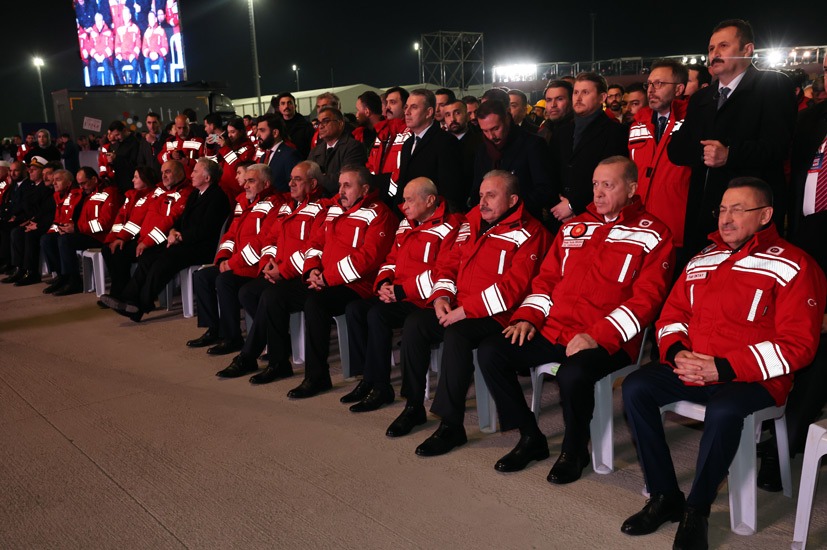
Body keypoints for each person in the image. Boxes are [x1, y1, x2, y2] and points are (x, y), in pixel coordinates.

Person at [620, 178, 826, 550]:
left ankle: (696, 509)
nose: (726, 218)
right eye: (723, 209)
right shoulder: (703, 258)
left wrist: (726, 368)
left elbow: (799, 346)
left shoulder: (796, 265)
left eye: (738, 209)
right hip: (696, 366)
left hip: (755, 378)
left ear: (765, 215)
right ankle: (666, 496)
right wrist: (678, 351)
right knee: (636, 387)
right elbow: (672, 316)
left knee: (724, 411)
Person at [476, 157, 674, 480]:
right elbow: (546, 280)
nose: (598, 193)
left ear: (632, 188)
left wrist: (597, 335)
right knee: (492, 350)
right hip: (555, 328)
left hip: (610, 340)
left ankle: (575, 449)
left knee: (572, 374)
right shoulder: (574, 227)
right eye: (595, 184)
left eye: (608, 185)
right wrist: (528, 317)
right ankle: (530, 436)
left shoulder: (654, 234)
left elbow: (646, 302)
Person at [387, 170, 550, 446]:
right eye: (481, 195)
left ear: (512, 199)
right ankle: (413, 406)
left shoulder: (531, 232)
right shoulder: (472, 220)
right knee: (416, 323)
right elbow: (449, 264)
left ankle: (452, 425)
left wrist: (464, 310)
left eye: (491, 195)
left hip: (500, 315)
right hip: (460, 306)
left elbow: (513, 289)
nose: (483, 201)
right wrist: (441, 297)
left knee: (457, 334)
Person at [218, 165, 396, 395]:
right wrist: (311, 269)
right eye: (340, 184)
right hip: (323, 279)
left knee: (315, 303)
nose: (341, 190)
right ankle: (278, 363)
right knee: (273, 296)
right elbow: (315, 244)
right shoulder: (333, 209)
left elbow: (367, 259)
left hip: (357, 285)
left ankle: (317, 376)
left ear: (364, 188)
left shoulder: (380, 214)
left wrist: (325, 278)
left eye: (347, 185)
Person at [668, 19, 797, 255]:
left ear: (747, 50)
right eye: (711, 48)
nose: (714, 54)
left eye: (723, 46)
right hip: (704, 212)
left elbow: (778, 146)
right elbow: (677, 148)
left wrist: (730, 155)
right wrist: (703, 152)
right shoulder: (701, 98)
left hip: (750, 214)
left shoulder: (773, 85)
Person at [340, 178, 464, 412]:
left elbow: (443, 273)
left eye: (409, 200)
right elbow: (391, 259)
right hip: (401, 295)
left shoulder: (452, 226)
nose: (403, 205)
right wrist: (384, 283)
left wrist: (400, 291)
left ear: (430, 200)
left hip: (427, 300)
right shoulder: (407, 224)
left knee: (378, 315)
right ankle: (370, 379)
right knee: (356, 309)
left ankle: (383, 388)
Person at [215, 161, 326, 384]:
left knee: (270, 296)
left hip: (303, 275)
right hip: (280, 272)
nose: (291, 183)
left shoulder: (322, 208)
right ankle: (273, 349)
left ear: (313, 183)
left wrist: (282, 271)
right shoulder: (287, 207)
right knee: (248, 292)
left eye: (298, 179)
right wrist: (267, 263)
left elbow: (312, 248)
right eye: (291, 178)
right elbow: (270, 239)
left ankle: (256, 357)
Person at [101, 158, 231, 321]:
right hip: (184, 242)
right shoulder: (196, 194)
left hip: (202, 248)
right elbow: (179, 220)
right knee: (148, 257)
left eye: (196, 171)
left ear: (207, 178)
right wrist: (173, 231)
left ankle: (140, 306)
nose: (191, 174)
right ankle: (128, 298)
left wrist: (180, 236)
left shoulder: (217, 197)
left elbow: (206, 229)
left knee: (163, 262)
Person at [188, 164, 282, 355]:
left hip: (255, 267)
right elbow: (230, 234)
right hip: (237, 262)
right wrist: (223, 257)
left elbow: (262, 242)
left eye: (251, 181)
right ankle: (214, 330)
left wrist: (233, 263)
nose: (245, 185)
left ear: (266, 183)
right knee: (202, 277)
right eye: (245, 180)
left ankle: (232, 337)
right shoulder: (243, 201)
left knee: (225, 281)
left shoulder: (275, 204)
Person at [629, 60, 692, 263]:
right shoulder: (638, 123)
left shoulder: (692, 121)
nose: (651, 90)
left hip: (676, 231)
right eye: (649, 84)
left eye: (659, 84)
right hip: (639, 230)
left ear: (679, 89)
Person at [549, 72, 629, 223]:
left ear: (602, 97)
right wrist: (559, 204)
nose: (578, 98)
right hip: (559, 214)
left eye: (585, 92)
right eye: (576, 92)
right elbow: (552, 170)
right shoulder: (561, 132)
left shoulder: (616, 132)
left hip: (596, 214)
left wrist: (573, 205)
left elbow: (611, 177)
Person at [41, 167, 123, 296]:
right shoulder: (87, 195)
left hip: (101, 237)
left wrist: (77, 228)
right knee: (48, 239)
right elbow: (78, 218)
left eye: (83, 183)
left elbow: (106, 222)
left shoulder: (109, 193)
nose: (81, 187)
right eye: (79, 184)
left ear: (94, 179)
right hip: (85, 232)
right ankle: (62, 277)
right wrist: (66, 228)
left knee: (65, 240)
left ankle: (74, 281)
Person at [471, 99, 555, 223]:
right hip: (489, 222)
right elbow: (476, 189)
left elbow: (545, 189)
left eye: (495, 128)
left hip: (525, 220)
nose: (491, 136)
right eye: (485, 131)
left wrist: (509, 208)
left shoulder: (533, 144)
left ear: (507, 119)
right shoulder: (483, 149)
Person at [394, 89, 463, 212]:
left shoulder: (446, 142)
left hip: (433, 216)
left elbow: (450, 190)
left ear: (429, 112)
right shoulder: (407, 144)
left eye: (414, 107)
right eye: (406, 107)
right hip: (409, 215)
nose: (407, 112)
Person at [101, 167, 160, 300]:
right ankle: (119, 292)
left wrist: (122, 238)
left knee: (119, 252)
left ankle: (120, 293)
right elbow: (120, 218)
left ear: (145, 179)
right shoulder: (131, 195)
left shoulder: (152, 196)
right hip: (128, 237)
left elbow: (137, 221)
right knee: (108, 249)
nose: (132, 179)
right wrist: (113, 238)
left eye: (136, 177)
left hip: (141, 239)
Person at [2, 158, 55, 286]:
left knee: (27, 234)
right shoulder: (33, 186)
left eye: (34, 169)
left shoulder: (46, 188)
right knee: (17, 232)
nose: (30, 171)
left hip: (45, 223)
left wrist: (34, 222)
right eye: (30, 169)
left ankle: (32, 272)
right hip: (32, 221)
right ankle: (20, 268)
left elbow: (47, 211)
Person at [307, 107, 368, 196]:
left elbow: (345, 180)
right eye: (319, 123)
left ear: (340, 124)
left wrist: (317, 178)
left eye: (326, 121)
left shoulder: (354, 147)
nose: (321, 126)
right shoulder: (315, 151)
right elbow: (307, 178)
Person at [443, 99, 482, 211]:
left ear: (467, 115)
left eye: (457, 113)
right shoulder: (441, 143)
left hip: (473, 205)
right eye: (448, 115)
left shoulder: (480, 142)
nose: (452, 119)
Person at [254, 114, 301, 193]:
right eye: (257, 130)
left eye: (262, 130)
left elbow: (295, 187)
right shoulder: (264, 156)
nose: (257, 135)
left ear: (275, 133)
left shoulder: (289, 155)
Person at [214, 117, 257, 200]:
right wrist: (210, 148)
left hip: (238, 191)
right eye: (228, 132)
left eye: (233, 132)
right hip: (225, 189)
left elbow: (238, 166)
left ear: (241, 132)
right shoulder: (229, 146)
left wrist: (225, 148)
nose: (230, 135)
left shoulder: (248, 147)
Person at [272, 92, 314, 158]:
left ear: (295, 106)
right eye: (283, 104)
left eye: (289, 103)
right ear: (279, 108)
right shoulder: (276, 127)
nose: (286, 106)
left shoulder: (306, 126)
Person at [114, 6, 141, 84]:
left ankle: (133, 84)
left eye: (127, 14)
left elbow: (138, 44)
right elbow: (117, 44)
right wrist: (118, 54)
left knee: (135, 63)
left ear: (130, 16)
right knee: (116, 63)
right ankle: (123, 83)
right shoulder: (119, 29)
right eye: (124, 15)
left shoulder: (136, 28)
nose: (125, 16)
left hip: (132, 56)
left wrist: (134, 55)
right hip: (122, 57)